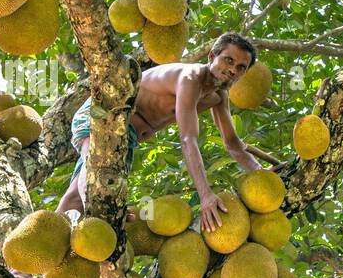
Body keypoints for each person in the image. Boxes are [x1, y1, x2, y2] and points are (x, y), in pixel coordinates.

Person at [57, 31, 264, 233]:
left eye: (240, 67)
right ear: (212, 56)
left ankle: (43, 249)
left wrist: (260, 172)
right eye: (228, 60)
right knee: (100, 174)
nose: (233, 70)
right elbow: (187, 139)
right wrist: (205, 195)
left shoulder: (218, 97)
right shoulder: (190, 78)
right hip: (108, 113)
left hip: (128, 138)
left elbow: (233, 144)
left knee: (75, 196)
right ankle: (98, 220)